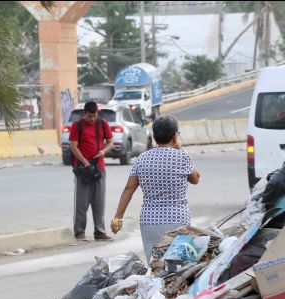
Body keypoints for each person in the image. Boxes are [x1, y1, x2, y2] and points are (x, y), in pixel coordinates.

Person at [111, 115, 200, 262]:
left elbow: (129, 189)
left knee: (154, 264)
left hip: (150, 221)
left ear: (154, 136)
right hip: (177, 219)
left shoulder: (142, 158)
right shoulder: (182, 156)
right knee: (179, 266)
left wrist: (118, 216)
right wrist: (179, 148)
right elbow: (195, 179)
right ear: (175, 136)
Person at [69, 101, 115, 242]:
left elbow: (110, 142)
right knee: (82, 203)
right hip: (83, 169)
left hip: (99, 167)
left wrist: (103, 151)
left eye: (94, 116)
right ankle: (79, 232)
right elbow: (73, 146)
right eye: (89, 116)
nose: (92, 119)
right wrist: (85, 162)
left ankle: (100, 232)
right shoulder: (77, 126)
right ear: (85, 114)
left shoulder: (102, 124)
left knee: (99, 201)